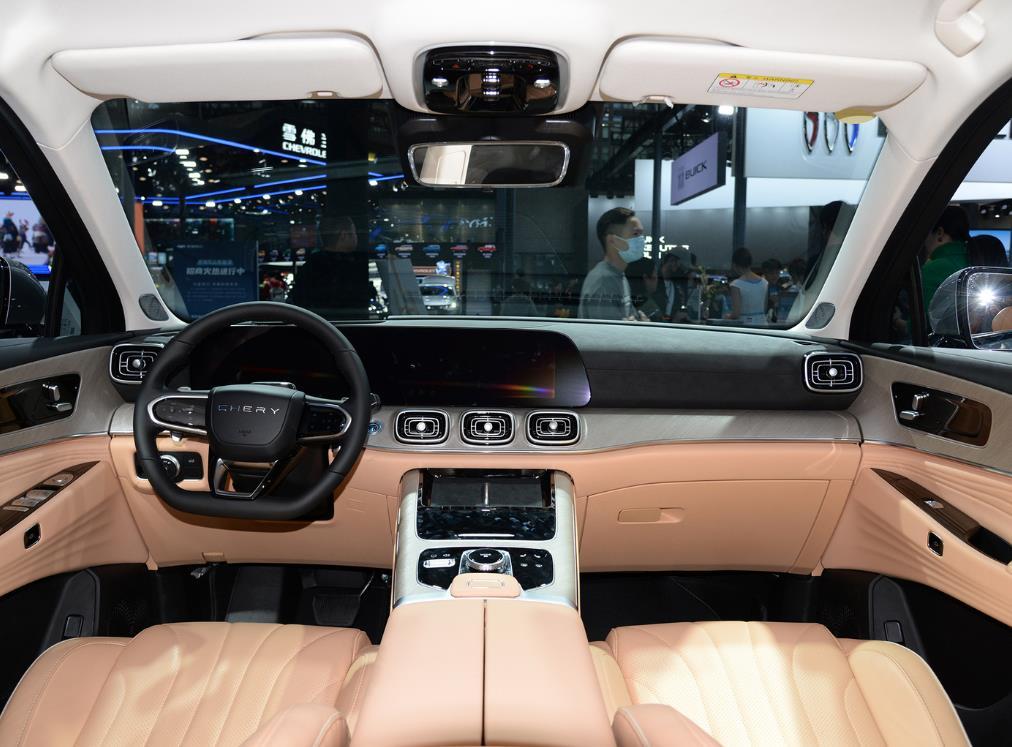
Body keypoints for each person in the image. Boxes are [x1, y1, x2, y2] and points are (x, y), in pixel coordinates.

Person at [287, 215, 374, 319]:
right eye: (354, 233)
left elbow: (299, 302)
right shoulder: (353, 267)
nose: (356, 237)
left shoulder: (310, 266)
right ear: (344, 235)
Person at [579, 207, 647, 321]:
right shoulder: (603, 282)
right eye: (635, 234)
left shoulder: (618, 275)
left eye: (641, 234)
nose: (641, 240)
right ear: (612, 240)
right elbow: (607, 331)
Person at [921, 205, 970, 308]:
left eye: (926, 233)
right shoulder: (976, 260)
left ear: (940, 233)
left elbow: (923, 317)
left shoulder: (933, 269)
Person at [726, 247, 768, 326]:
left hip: (745, 325)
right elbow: (765, 308)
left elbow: (736, 314)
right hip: (762, 323)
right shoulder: (764, 283)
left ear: (734, 265)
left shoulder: (736, 285)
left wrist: (727, 317)